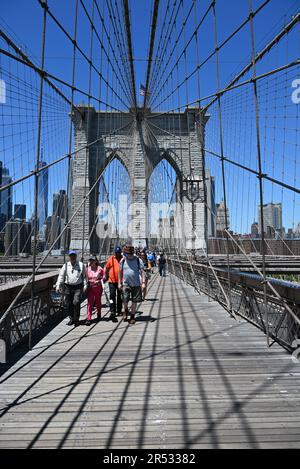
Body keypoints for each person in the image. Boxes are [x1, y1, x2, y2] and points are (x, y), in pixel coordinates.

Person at [56, 250, 87, 327]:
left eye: (74, 255)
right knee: (68, 303)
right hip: (68, 287)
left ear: (76, 256)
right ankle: (71, 318)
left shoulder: (81, 265)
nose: (72, 257)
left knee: (76, 302)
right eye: (71, 256)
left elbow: (85, 276)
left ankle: (76, 320)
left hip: (77, 287)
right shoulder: (65, 265)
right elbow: (61, 276)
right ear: (69, 257)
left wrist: (85, 285)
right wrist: (58, 285)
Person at [118, 244, 145, 325]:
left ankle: (132, 316)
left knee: (134, 300)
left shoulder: (138, 260)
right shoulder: (122, 261)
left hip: (136, 284)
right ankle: (126, 310)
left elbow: (142, 271)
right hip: (126, 283)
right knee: (125, 299)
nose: (129, 255)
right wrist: (119, 283)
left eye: (130, 253)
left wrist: (143, 283)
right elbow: (119, 272)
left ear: (133, 253)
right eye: (127, 254)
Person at [104, 246, 123, 322]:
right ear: (114, 252)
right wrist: (105, 275)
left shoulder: (123, 259)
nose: (117, 254)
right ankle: (112, 310)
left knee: (120, 296)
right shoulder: (111, 258)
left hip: (120, 281)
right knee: (112, 296)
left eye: (118, 252)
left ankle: (119, 310)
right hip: (111, 281)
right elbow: (106, 267)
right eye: (116, 252)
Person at [85, 255, 104, 326]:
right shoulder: (87, 269)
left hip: (98, 287)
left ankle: (99, 313)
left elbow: (104, 278)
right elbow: (85, 277)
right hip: (90, 287)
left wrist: (99, 280)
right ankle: (88, 318)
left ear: (96, 261)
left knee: (98, 302)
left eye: (93, 260)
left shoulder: (100, 269)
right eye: (90, 260)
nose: (91, 262)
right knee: (90, 303)